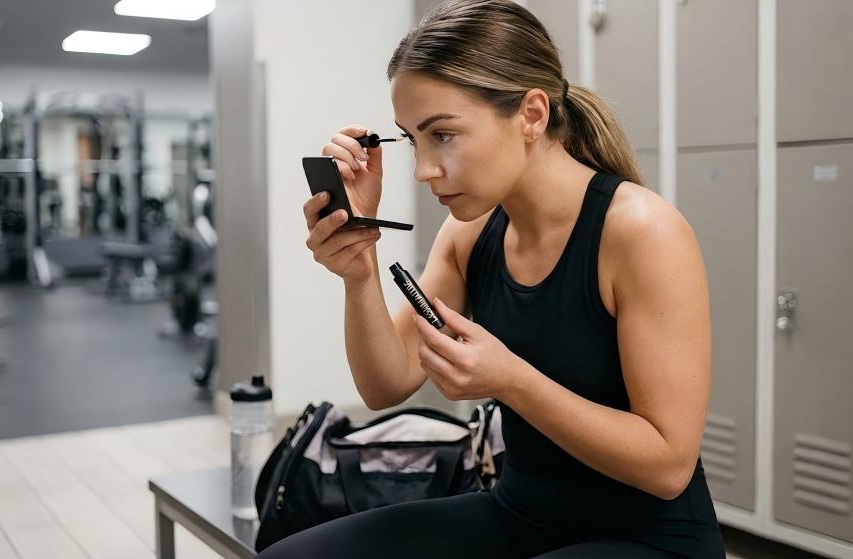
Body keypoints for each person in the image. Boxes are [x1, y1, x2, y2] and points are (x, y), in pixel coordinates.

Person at [260, 0, 724, 557]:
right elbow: (385, 385)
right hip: (519, 516)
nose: (424, 169)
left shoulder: (643, 233)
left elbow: (668, 465)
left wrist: (512, 381)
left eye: (444, 136)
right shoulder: (471, 233)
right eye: (413, 139)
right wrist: (359, 273)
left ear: (531, 114)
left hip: (647, 538)